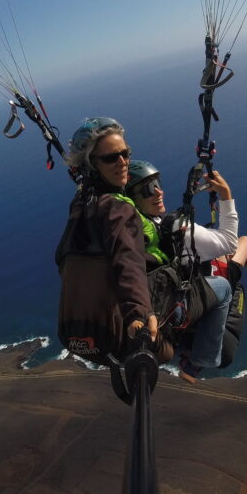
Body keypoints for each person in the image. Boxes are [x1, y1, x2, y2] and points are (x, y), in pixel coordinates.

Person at [126, 160, 247, 382]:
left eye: (157, 184)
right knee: (245, 244)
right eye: (148, 189)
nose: (158, 192)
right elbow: (229, 242)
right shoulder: (176, 230)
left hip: (173, 317)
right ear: (135, 199)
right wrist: (226, 195)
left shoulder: (139, 230)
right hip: (209, 327)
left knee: (223, 254)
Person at [55, 118, 165, 367]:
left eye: (125, 154)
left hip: (76, 334)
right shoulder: (119, 208)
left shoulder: (80, 202)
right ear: (91, 164)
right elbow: (128, 258)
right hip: (121, 337)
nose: (123, 163)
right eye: (111, 158)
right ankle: (199, 360)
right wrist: (139, 312)